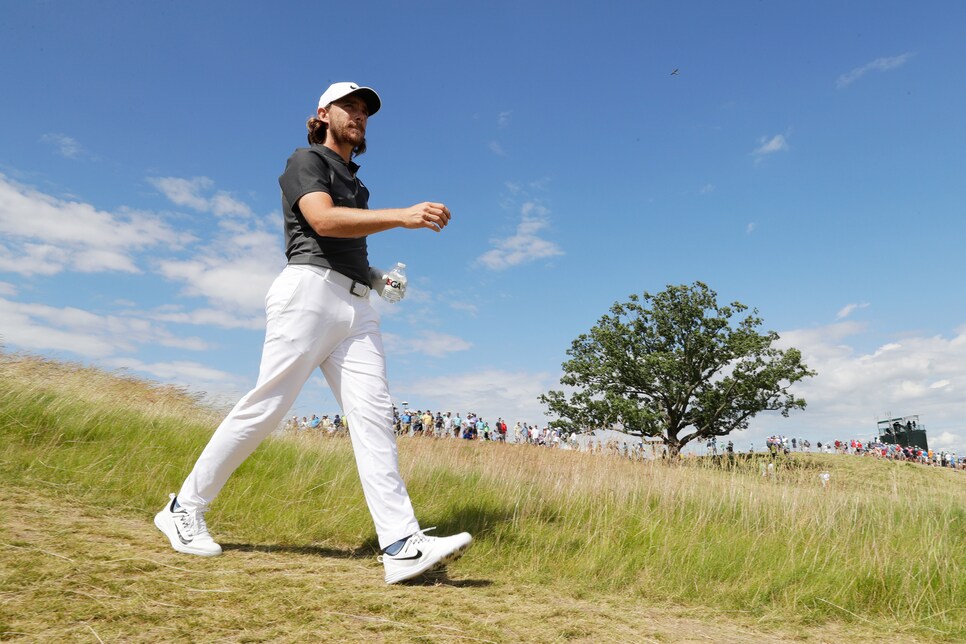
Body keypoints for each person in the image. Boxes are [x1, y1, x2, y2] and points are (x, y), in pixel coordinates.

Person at [154, 81, 471, 584]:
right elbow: (321, 222)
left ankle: (401, 544)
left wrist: (377, 280)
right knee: (268, 406)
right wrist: (403, 216)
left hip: (357, 306)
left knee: (374, 419)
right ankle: (182, 508)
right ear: (323, 113)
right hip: (308, 294)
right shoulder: (305, 160)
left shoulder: (358, 185)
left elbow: (350, 250)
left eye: (365, 110)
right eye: (350, 106)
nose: (360, 115)